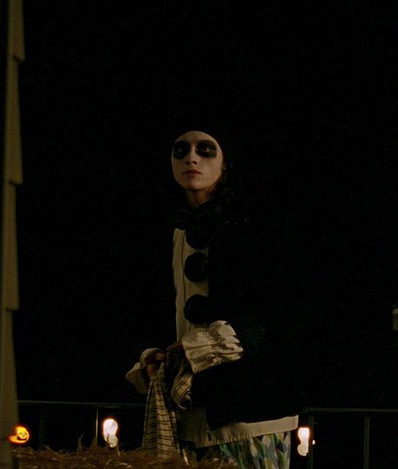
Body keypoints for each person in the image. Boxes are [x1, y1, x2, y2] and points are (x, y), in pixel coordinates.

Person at [126, 129, 306, 468]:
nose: (191, 158)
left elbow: (281, 308)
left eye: (205, 149)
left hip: (249, 413)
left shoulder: (258, 226)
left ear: (225, 162)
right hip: (189, 413)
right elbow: (153, 307)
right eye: (181, 150)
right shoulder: (172, 232)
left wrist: (203, 346)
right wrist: (155, 356)